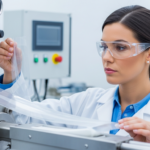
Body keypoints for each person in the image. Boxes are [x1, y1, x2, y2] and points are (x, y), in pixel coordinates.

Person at [0, 5, 150, 143]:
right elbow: (27, 120)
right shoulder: (86, 102)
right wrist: (13, 71)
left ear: (148, 54)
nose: (106, 57)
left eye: (120, 47)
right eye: (104, 47)